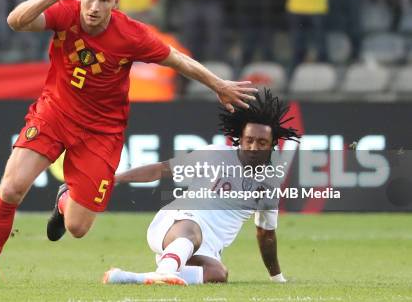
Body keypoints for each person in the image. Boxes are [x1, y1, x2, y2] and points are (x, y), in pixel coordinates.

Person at [0, 0, 257, 286]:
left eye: (105, 0)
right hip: (54, 114)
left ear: (117, 1)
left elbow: (178, 60)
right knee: (12, 187)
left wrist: (218, 84)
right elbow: (16, 21)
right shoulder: (64, 12)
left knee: (78, 228)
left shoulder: (132, 35)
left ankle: (64, 198)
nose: (95, 8)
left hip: (101, 133)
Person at [104, 89, 300, 285]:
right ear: (241, 138)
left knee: (218, 274)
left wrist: (277, 277)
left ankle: (139, 277)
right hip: (176, 225)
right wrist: (117, 178)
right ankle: (166, 269)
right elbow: (161, 170)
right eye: (249, 140)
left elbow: (265, 234)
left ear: (273, 144)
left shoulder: (269, 185)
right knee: (191, 230)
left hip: (204, 249)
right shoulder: (215, 155)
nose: (254, 147)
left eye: (262, 142)